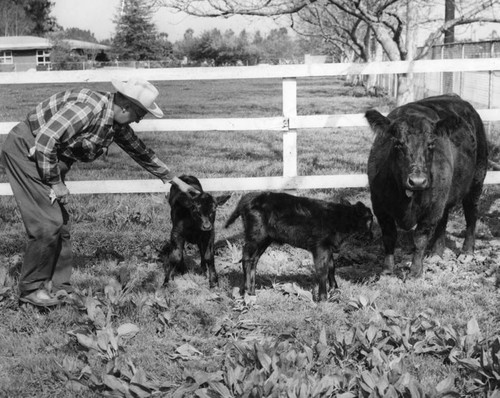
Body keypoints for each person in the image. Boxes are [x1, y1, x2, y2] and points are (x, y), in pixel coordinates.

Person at [0, 77, 199, 308]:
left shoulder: (114, 122)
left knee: (61, 225)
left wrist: (175, 180)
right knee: (47, 223)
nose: (138, 121)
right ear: (125, 107)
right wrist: (56, 183)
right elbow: (45, 140)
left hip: (46, 158)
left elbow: (140, 151)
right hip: (27, 152)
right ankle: (31, 289)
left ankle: (59, 287)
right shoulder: (89, 108)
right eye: (139, 114)